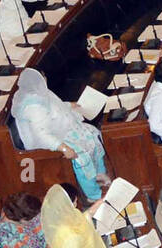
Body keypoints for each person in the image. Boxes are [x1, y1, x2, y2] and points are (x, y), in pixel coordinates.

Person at [10, 69, 111, 201]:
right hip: (51, 140)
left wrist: (70, 105)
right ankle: (93, 194)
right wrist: (64, 148)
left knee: (91, 135)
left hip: (60, 130)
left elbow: (55, 106)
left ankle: (98, 174)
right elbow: (41, 134)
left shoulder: (39, 91)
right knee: (81, 156)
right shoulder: (32, 107)